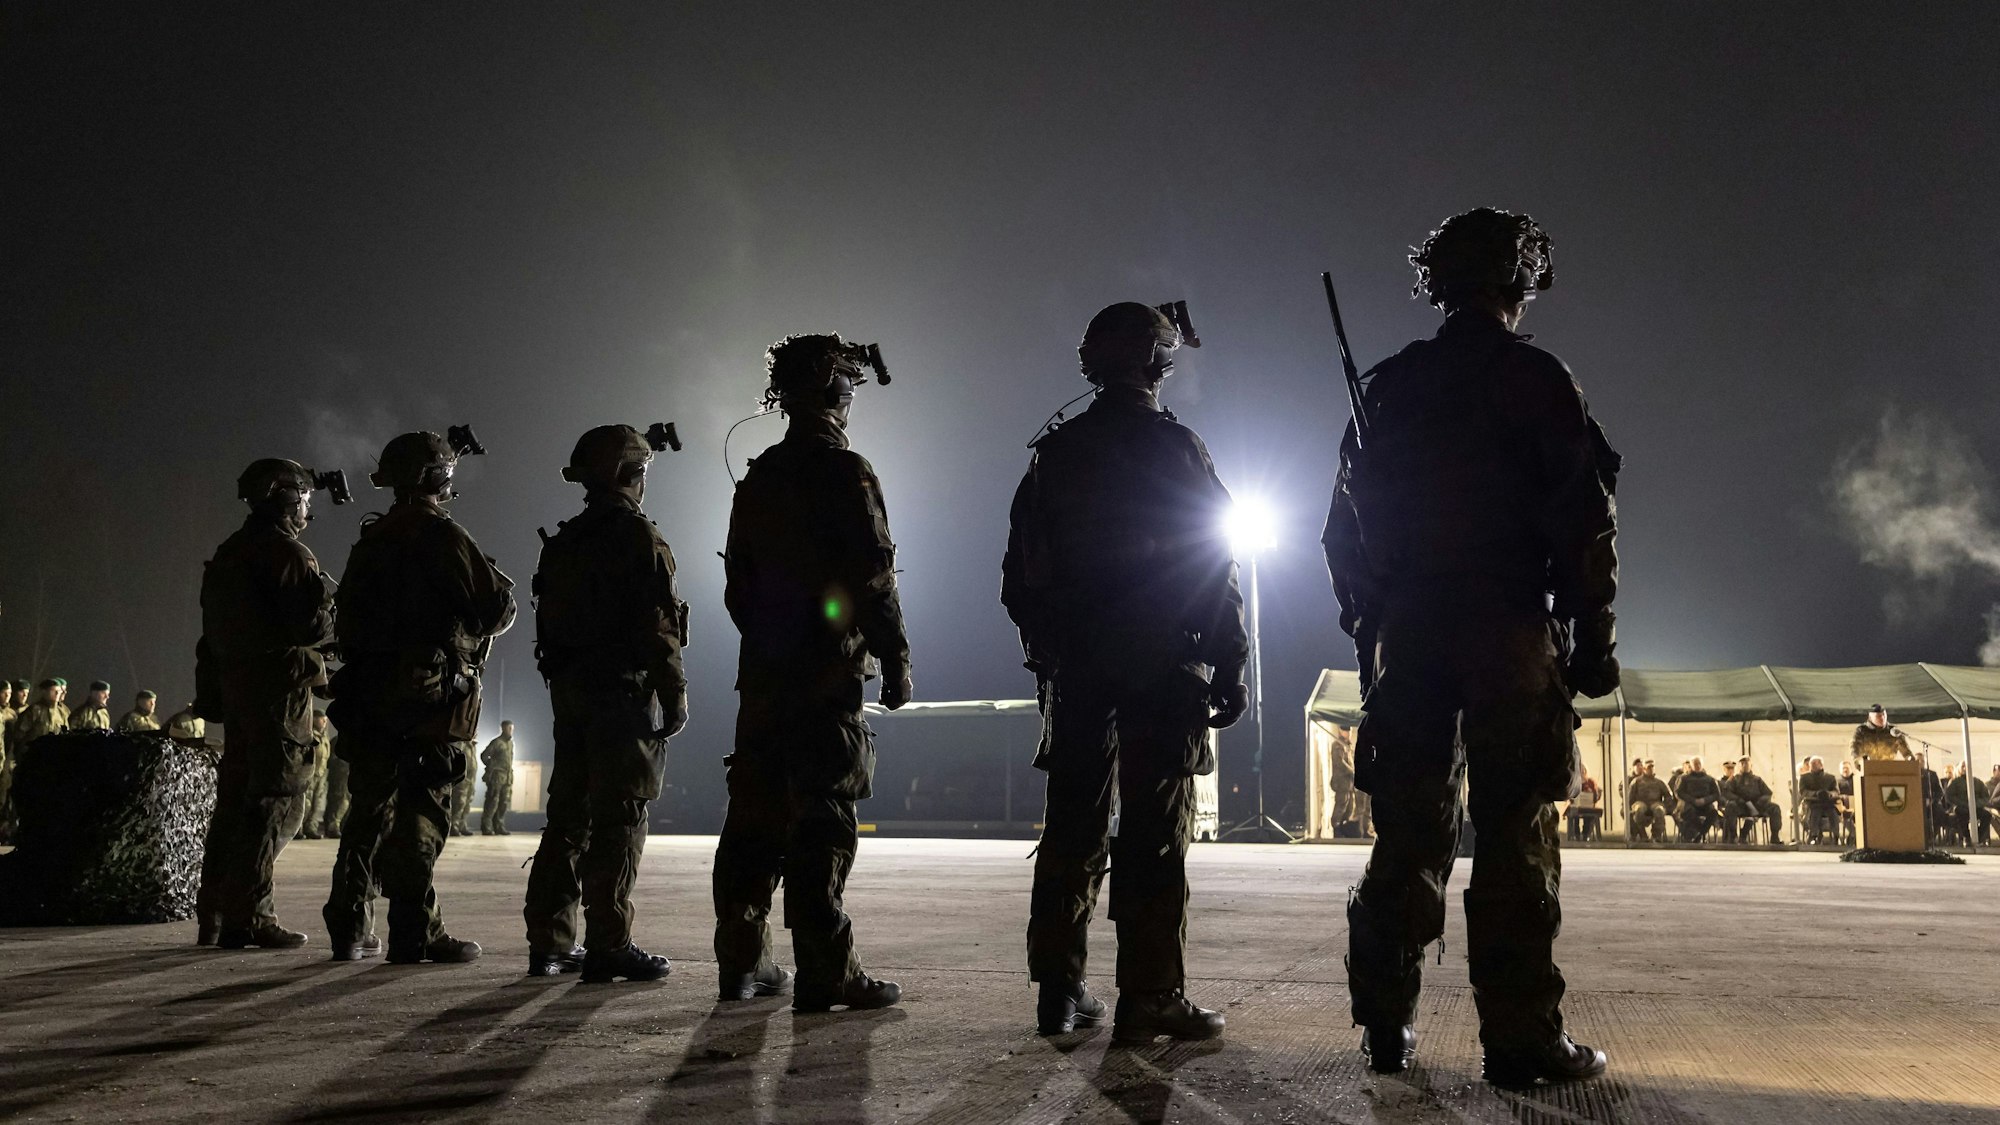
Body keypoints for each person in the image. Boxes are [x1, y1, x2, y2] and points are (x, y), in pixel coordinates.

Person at [1322, 208, 1616, 1084]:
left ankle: (1384, 1024)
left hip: (1410, 638)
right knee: (1514, 831)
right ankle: (1521, 1039)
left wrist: (1374, 622)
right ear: (1518, 281)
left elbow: (1341, 533)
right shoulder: (1535, 378)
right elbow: (1585, 523)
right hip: (1507, 630)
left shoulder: (1388, 385)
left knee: (1406, 833)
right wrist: (1594, 639)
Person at [1003, 301, 1249, 1042]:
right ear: (1157, 361)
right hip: (1163, 667)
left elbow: (1019, 578)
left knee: (1072, 826)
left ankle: (1059, 988)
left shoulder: (1055, 454)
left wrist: (1057, 650)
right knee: (1154, 832)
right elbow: (1214, 559)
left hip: (1079, 672)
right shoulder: (1175, 448)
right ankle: (1150, 995)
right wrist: (1231, 658)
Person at [713, 334, 912, 1013]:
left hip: (764, 677)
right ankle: (827, 970)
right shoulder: (845, 470)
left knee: (754, 813)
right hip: (825, 678)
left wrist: (771, 642)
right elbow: (874, 576)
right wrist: (894, 656)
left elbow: (736, 583)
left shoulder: (759, 475)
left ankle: (742, 962)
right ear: (833, 390)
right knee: (823, 814)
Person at [323, 431, 516, 964]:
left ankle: (348, 924)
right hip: (431, 702)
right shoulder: (444, 536)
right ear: (438, 478)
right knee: (421, 815)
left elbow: (347, 621)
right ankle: (415, 931)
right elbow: (494, 611)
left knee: (365, 814)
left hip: (370, 698)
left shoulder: (371, 540)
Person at [523, 425, 690, 983]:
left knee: (567, 817)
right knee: (620, 817)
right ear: (631, 473)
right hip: (622, 694)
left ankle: (549, 942)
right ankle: (609, 944)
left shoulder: (567, 540)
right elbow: (659, 626)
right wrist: (675, 693)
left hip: (571, 692)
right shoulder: (639, 537)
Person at [193, 459, 337, 949]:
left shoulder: (231, 553)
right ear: (286, 498)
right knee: (278, 804)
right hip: (278, 697)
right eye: (303, 500)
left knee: (235, 803)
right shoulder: (287, 554)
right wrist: (332, 604)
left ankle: (214, 914)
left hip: (238, 695)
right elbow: (312, 628)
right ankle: (250, 916)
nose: (306, 511)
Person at [293, 710, 334, 840]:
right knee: (306, 802)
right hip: (309, 774)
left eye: (326, 720)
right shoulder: (309, 735)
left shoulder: (324, 737)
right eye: (322, 719)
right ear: (314, 719)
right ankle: (297, 829)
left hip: (321, 774)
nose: (324, 722)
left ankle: (311, 828)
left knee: (317, 803)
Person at [1733, 757, 1781, 844]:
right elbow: (1727, 793)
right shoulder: (1734, 779)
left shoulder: (1757, 779)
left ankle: (1775, 837)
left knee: (1775, 808)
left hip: (1758, 805)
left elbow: (1768, 793)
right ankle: (1735, 837)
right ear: (1739, 766)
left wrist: (1760, 802)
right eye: (1742, 764)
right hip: (1741, 806)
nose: (1745, 766)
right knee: (1731, 807)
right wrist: (1739, 800)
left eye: (1747, 763)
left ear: (1751, 765)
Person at [1673, 757, 1721, 842]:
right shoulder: (1684, 778)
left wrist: (1705, 800)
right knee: (1688, 812)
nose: (1697, 766)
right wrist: (1693, 800)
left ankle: (1700, 835)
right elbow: (1679, 792)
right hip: (1690, 804)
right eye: (1695, 764)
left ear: (1702, 765)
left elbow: (1717, 794)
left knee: (1713, 813)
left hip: (1705, 804)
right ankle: (1701, 833)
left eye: (1699, 764)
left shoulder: (1710, 779)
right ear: (1691, 765)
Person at [480, 720, 515, 836]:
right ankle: (487, 827)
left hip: (507, 777)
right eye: (509, 728)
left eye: (512, 728)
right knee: (492, 802)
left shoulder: (510, 744)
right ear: (503, 728)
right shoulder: (496, 742)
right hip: (496, 777)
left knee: (503, 803)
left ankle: (499, 826)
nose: (511, 731)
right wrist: (491, 765)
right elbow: (484, 755)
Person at [1942, 765, 1990, 846]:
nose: (1965, 769)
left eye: (1966, 767)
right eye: (1962, 766)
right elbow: (1949, 796)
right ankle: (1966, 837)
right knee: (1960, 813)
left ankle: (1979, 837)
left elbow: (1986, 796)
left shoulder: (1977, 782)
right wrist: (1963, 803)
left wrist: (1977, 804)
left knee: (1987, 815)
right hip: (1962, 807)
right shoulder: (1955, 782)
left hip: (1976, 807)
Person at [1798, 757, 1840, 843]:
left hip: (1828, 803)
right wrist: (1815, 794)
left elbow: (1836, 791)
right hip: (1813, 804)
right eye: (1811, 765)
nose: (1813, 766)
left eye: (1815, 764)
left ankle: (1836, 836)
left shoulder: (1830, 778)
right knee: (1815, 813)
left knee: (1833, 813)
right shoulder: (1804, 778)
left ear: (1821, 765)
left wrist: (1829, 794)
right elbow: (1803, 791)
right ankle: (1813, 836)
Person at [15, 679, 69, 745]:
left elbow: (66, 734)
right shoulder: (35, 710)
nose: (57, 693)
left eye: (59, 691)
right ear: (44, 692)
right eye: (53, 690)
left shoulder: (62, 712)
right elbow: (19, 734)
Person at [1627, 762, 1669, 843]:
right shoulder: (1636, 781)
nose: (1651, 769)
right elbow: (1630, 796)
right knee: (1639, 809)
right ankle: (1643, 834)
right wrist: (1629, 807)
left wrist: (1666, 806)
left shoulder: (1659, 782)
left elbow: (1668, 795)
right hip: (1640, 802)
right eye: (1649, 767)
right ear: (1644, 769)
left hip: (1655, 802)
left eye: (1652, 767)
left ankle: (1656, 836)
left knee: (1659, 810)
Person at [449, 740, 477, 836]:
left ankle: (462, 825)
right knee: (459, 803)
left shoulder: (472, 746)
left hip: (471, 780)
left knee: (467, 803)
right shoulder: (461, 744)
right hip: (463, 781)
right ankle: (454, 826)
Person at [1565, 766, 1601, 842]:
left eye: (1583, 771)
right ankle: (1576, 835)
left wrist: (1590, 795)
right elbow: (1569, 794)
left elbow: (1596, 795)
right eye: (1580, 771)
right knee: (1574, 813)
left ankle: (1586, 834)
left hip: (1588, 805)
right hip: (1576, 806)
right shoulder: (1574, 782)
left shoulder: (1591, 782)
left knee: (1589, 815)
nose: (1582, 772)